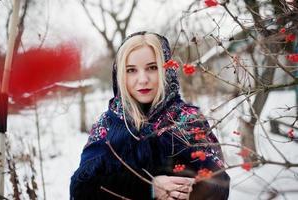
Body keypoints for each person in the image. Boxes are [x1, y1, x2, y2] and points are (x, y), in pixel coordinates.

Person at [70, 31, 230, 200]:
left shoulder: (188, 120)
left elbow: (219, 185)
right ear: (120, 75)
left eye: (152, 68)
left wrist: (193, 191)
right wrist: (149, 187)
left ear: (166, 70)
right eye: (131, 70)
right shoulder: (108, 125)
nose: (143, 79)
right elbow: (81, 189)